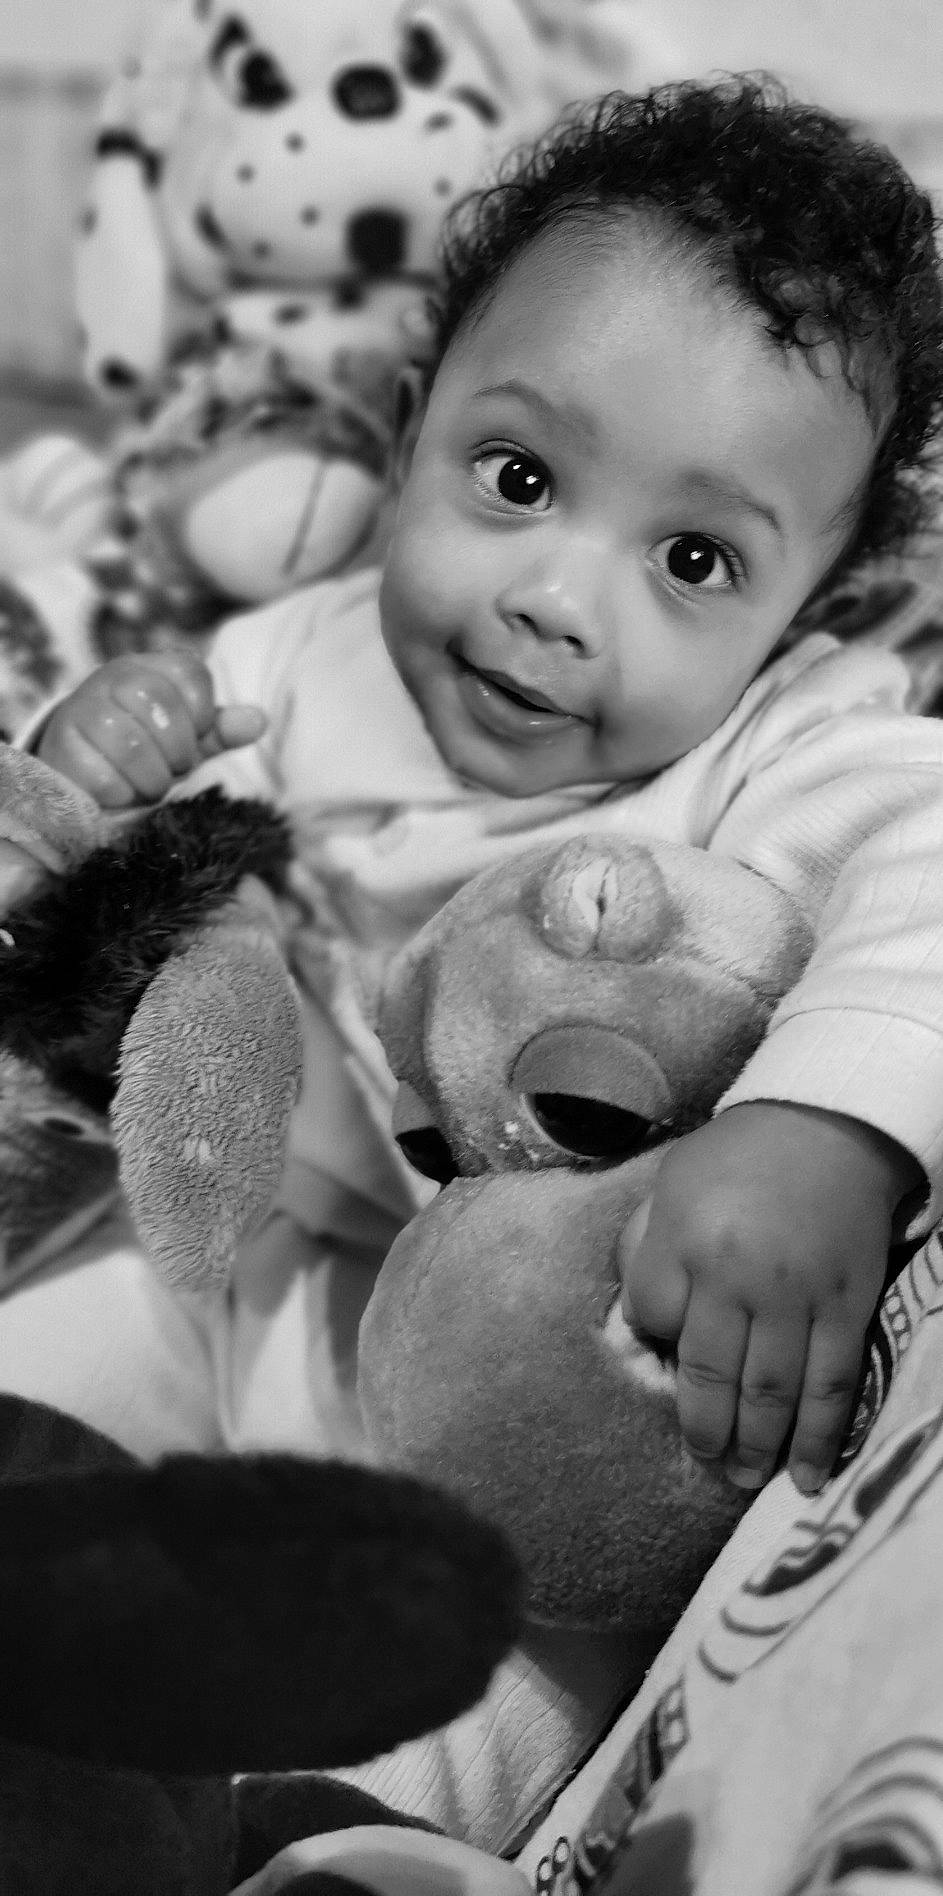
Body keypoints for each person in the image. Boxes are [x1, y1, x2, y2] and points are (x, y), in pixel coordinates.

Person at [31, 75, 943, 1507]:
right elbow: (112, 925)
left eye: (693, 561)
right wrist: (91, 770)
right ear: (411, 434)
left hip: (541, 1393)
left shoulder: (777, 746)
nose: (558, 602)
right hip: (242, 1266)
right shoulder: (300, 657)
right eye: (517, 478)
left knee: (480, 1649)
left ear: (805, 610)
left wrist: (821, 1129)